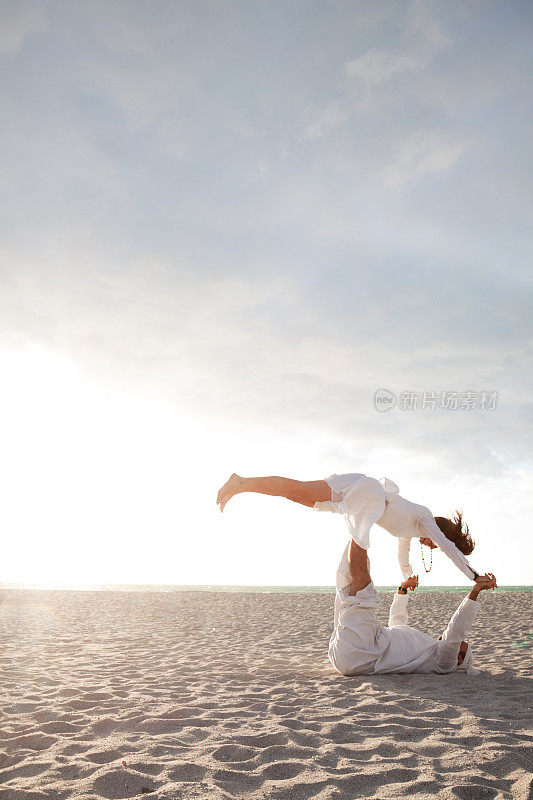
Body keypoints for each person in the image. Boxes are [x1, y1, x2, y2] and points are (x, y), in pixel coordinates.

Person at [216, 472, 482, 582]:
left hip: (361, 504)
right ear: (441, 534)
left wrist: (408, 578)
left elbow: (402, 556)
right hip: (365, 493)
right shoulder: (425, 518)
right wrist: (474, 576)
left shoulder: (412, 530)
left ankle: (242, 485)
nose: (432, 546)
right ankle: (241, 483)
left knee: (296, 495)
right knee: (297, 490)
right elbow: (448, 547)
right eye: (436, 543)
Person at [327, 537, 497, 676]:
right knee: (347, 585)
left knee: (362, 590)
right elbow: (397, 623)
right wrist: (402, 589)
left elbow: (456, 630)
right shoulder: (426, 650)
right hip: (346, 653)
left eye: (461, 644)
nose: (459, 641)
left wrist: (475, 590)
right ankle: (358, 525)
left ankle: (360, 522)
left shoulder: (444, 663)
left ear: (458, 659)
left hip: (363, 653)